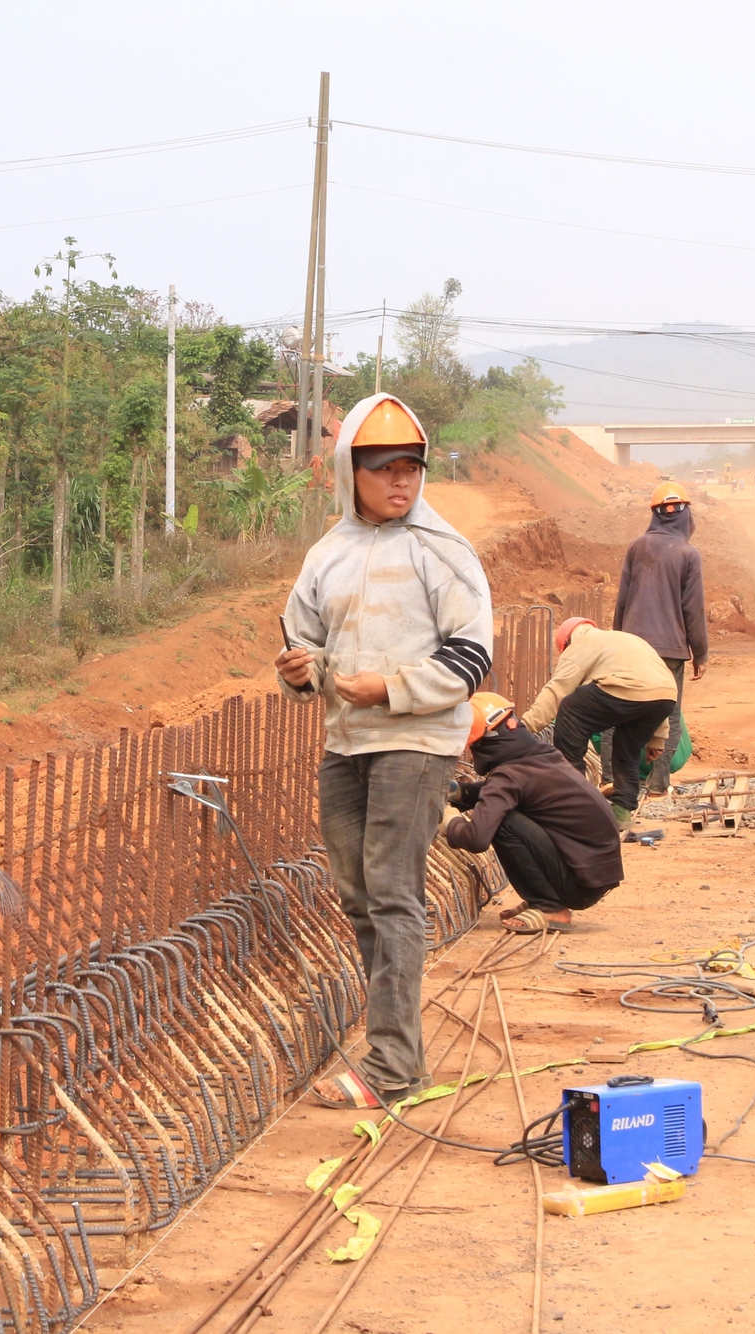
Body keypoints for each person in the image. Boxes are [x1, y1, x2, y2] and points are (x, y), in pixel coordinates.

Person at [274, 391, 494, 1111]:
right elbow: (300, 640)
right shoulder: (328, 555)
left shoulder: (443, 552)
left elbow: (469, 661)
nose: (401, 481)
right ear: (350, 472)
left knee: (393, 894)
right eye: (383, 468)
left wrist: (389, 689)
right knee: (359, 895)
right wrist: (300, 675)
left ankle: (394, 1067)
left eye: (412, 467)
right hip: (347, 742)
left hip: (417, 739)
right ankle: (392, 1051)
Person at [443, 693, 624, 933]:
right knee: (504, 811)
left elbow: (477, 838)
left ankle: (549, 906)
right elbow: (512, 789)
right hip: (592, 873)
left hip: (579, 885)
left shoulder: (508, 775)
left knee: (503, 821)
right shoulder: (543, 757)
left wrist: (449, 821)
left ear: (482, 743)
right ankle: (546, 897)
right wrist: (462, 793)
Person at [516, 617, 677, 829]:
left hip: (629, 689)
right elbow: (654, 686)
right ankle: (622, 810)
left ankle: (572, 801)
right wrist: (658, 737)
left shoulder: (580, 646)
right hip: (666, 696)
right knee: (626, 745)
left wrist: (523, 727)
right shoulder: (624, 640)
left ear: (567, 643)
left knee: (570, 710)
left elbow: (556, 691)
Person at [613, 479, 709, 793]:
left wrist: (617, 642)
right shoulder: (688, 554)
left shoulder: (636, 547)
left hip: (632, 647)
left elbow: (623, 600)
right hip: (670, 652)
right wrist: (701, 652)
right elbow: (692, 609)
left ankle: (612, 780)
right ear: (685, 516)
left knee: (622, 711)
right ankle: (658, 783)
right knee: (670, 713)